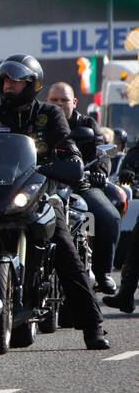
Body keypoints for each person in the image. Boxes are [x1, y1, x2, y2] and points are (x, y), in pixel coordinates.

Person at [0, 54, 108, 349]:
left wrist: (69, 161)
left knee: (66, 250)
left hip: (39, 192)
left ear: (33, 84)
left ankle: (93, 326)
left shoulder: (49, 115)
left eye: (16, 81)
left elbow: (66, 148)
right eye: (5, 81)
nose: (8, 86)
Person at [46, 81, 120, 293]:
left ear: (74, 102)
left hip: (81, 185)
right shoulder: (40, 121)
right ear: (47, 102)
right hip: (45, 186)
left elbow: (100, 151)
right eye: (54, 100)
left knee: (108, 217)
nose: (59, 104)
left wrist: (100, 172)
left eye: (64, 100)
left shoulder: (86, 123)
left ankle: (103, 272)